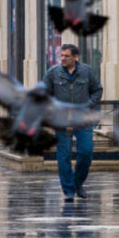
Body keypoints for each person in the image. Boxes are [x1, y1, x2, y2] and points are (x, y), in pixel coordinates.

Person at [43, 43, 103, 201]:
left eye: (66, 56)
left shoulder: (87, 71)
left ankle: (77, 183)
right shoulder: (53, 73)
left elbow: (97, 90)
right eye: (61, 55)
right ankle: (69, 191)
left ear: (75, 57)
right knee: (63, 155)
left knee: (86, 151)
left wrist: (88, 105)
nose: (62, 59)